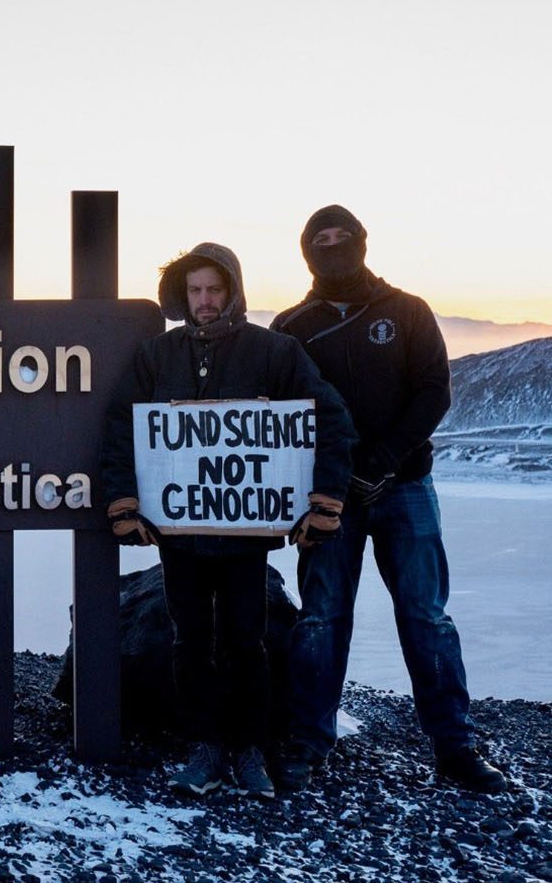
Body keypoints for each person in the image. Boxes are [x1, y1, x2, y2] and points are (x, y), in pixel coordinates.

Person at [101, 242, 355, 800]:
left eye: (214, 289)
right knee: (188, 640)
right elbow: (121, 427)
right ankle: (204, 745)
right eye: (194, 290)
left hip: (245, 537)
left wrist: (324, 499)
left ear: (233, 290)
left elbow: (329, 418)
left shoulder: (274, 352)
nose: (205, 300)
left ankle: (248, 748)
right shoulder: (156, 356)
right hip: (181, 534)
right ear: (182, 295)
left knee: (248, 641)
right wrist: (123, 503)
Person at [272, 206, 507, 793]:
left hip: (405, 487)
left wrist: (382, 462)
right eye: (319, 240)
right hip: (328, 496)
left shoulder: (407, 311)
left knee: (426, 615)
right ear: (306, 251)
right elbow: (278, 412)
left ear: (363, 243)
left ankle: (454, 745)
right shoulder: (291, 326)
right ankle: (307, 740)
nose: (332, 246)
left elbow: (434, 391)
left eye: (341, 237)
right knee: (322, 616)